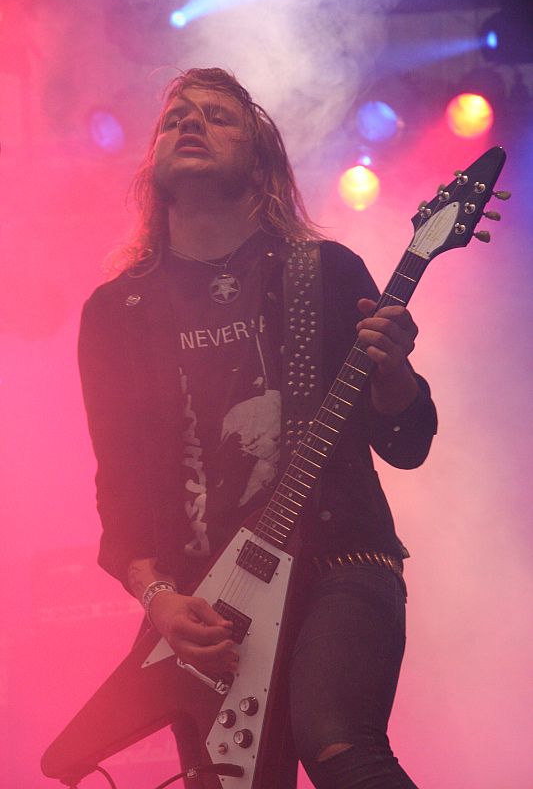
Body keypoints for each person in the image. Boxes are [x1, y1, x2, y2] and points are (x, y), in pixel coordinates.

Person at [78, 67, 437, 789]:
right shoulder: (116, 314)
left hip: (341, 557)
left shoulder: (324, 272)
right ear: (153, 162)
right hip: (211, 599)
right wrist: (159, 599)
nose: (190, 122)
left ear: (260, 161)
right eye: (175, 117)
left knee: (338, 743)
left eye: (218, 116)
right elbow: (119, 491)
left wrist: (394, 372)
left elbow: (405, 444)